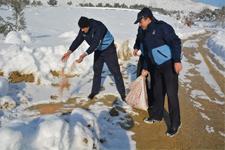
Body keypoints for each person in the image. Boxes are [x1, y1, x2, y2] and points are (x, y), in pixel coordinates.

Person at [133, 8, 182, 137]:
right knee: (157, 92)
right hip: (155, 67)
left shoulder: (162, 27)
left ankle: (175, 123)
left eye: (140, 21)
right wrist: (145, 67)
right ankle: (157, 116)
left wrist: (177, 60)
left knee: (171, 95)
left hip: (169, 66)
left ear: (148, 18)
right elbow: (146, 51)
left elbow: (176, 42)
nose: (139, 24)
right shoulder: (143, 31)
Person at [61, 16, 126, 101]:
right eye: (81, 28)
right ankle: (94, 91)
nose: (82, 30)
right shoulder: (83, 29)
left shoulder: (98, 27)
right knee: (97, 70)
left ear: (88, 26)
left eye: (83, 28)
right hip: (98, 50)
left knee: (115, 71)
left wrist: (83, 56)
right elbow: (78, 40)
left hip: (109, 49)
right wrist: (69, 52)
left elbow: (95, 44)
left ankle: (123, 94)